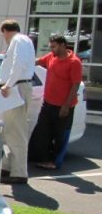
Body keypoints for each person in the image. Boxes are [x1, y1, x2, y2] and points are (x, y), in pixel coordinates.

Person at [28, 35, 82, 170]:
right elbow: (37, 61)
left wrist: (66, 105)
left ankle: (55, 162)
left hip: (64, 106)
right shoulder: (51, 57)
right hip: (48, 103)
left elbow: (75, 85)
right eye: (51, 47)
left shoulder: (74, 62)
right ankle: (43, 159)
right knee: (42, 132)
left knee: (60, 135)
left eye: (54, 46)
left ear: (63, 45)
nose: (52, 49)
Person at [0, 20, 35, 185]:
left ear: (5, 30)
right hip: (17, 86)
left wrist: (8, 85)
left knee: (16, 131)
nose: (3, 38)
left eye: (2, 34)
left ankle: (19, 173)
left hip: (16, 87)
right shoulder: (24, 40)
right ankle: (8, 167)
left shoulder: (18, 41)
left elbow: (18, 64)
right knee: (8, 130)